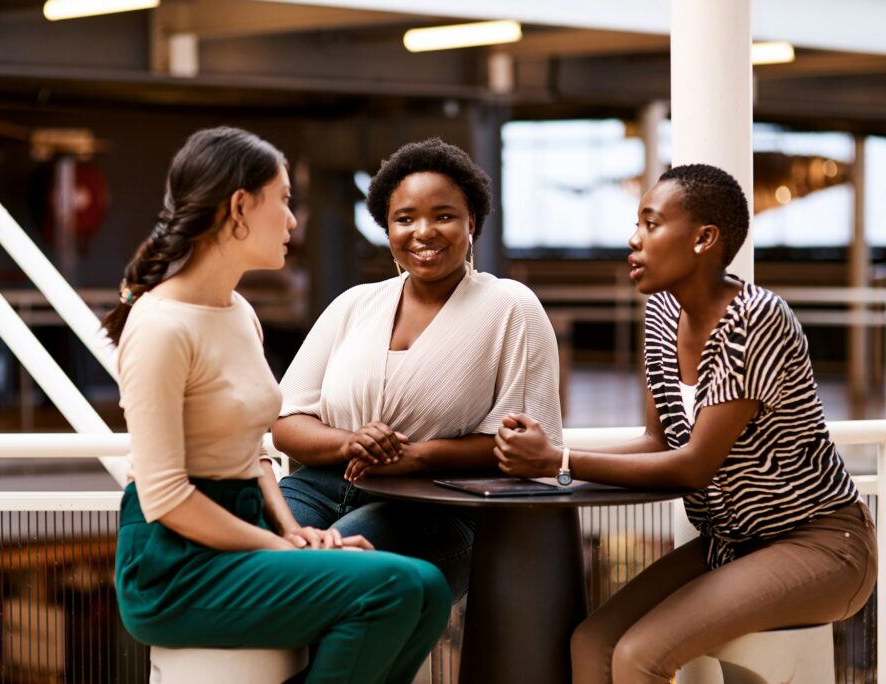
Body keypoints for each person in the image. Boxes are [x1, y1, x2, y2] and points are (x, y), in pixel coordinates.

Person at [494, 163, 877, 683]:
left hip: (820, 545)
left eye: (651, 224)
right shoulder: (660, 315)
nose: (633, 239)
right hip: (729, 545)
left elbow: (693, 466)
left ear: (703, 238)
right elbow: (658, 442)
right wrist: (541, 462)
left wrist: (557, 460)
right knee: (593, 642)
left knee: (638, 656)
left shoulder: (756, 319)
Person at [103, 127, 451, 684]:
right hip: (174, 567)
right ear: (240, 206)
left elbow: (255, 454)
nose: (293, 220)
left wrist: (295, 531)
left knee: (429, 590)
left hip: (242, 537)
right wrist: (279, 545)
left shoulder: (239, 312)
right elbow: (166, 497)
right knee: (391, 589)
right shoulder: (159, 326)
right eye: (285, 200)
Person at [273, 138, 563, 597]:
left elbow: (528, 444)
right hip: (318, 485)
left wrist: (418, 456)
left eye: (443, 216)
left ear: (473, 222)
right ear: (387, 229)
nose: (423, 232)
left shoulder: (509, 306)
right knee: (254, 558)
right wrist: (350, 441)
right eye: (404, 219)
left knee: (339, 570)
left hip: (432, 503)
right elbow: (287, 421)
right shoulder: (354, 304)